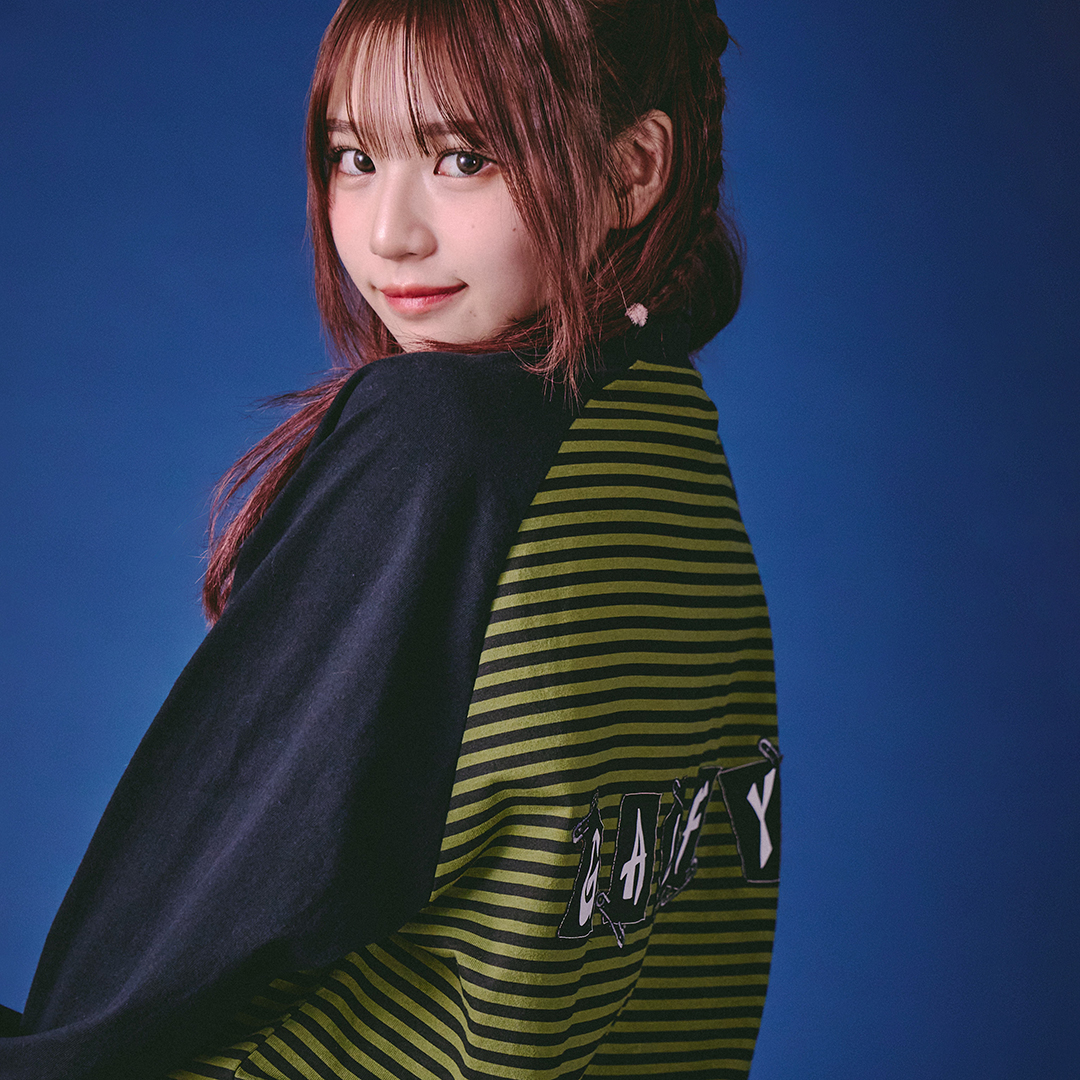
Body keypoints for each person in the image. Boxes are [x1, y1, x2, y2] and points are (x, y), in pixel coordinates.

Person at [0, 0, 780, 1076]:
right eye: (355, 159)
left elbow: (167, 953)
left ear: (631, 171)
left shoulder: (443, 440)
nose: (389, 235)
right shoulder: (668, 434)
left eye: (465, 158)